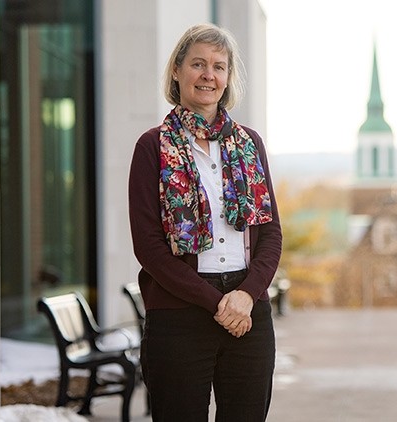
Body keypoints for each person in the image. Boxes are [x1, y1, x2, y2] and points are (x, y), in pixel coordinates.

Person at [128, 23, 282, 421]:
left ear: (228, 77)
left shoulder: (250, 144)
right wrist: (218, 303)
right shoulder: (152, 147)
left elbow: (270, 233)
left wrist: (246, 295)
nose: (208, 75)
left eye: (218, 66)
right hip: (179, 315)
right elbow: (149, 247)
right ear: (177, 71)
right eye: (198, 64)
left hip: (248, 312)